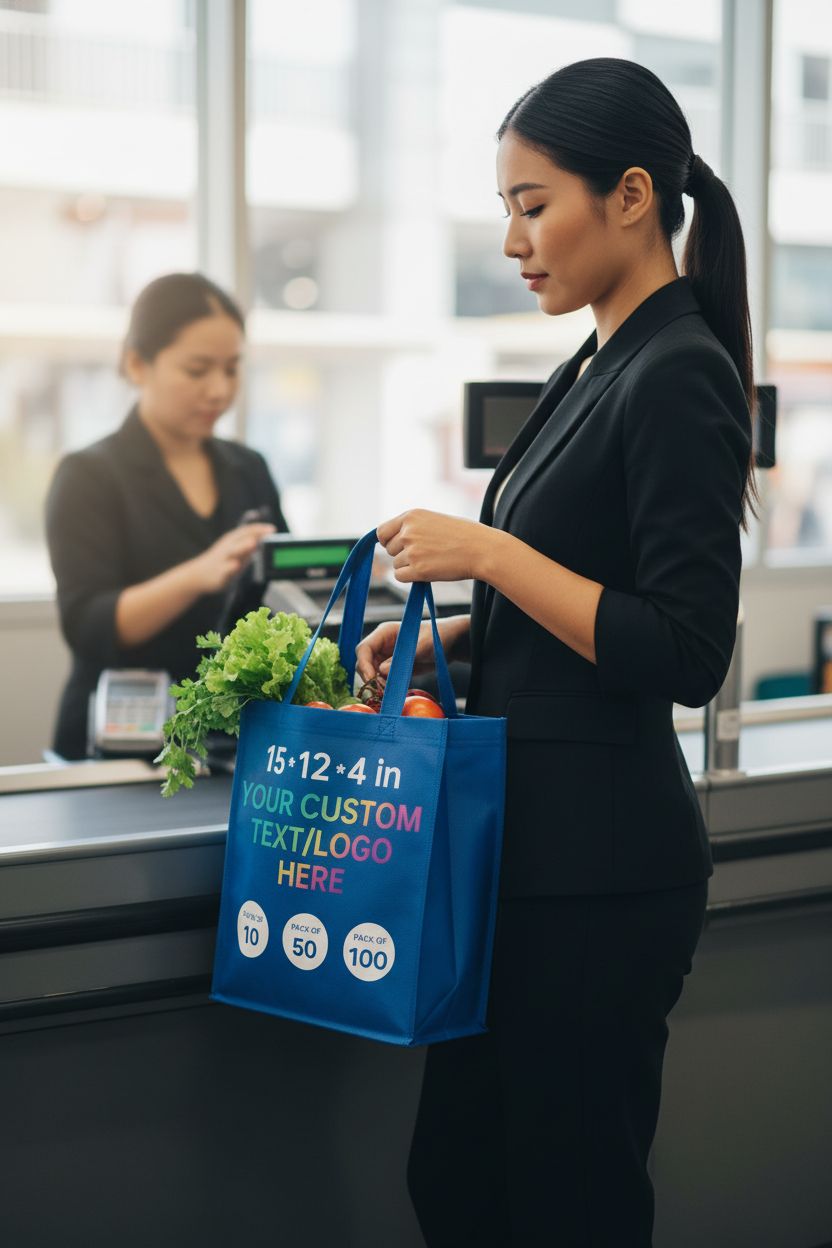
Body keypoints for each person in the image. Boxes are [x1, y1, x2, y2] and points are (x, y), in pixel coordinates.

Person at [356, 58, 754, 1246]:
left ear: (630, 196)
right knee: (461, 1185)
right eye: (507, 213)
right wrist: (453, 642)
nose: (516, 239)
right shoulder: (597, 361)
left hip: (600, 876)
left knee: (562, 1205)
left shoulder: (679, 369)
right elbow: (593, 611)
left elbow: (683, 646)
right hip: (534, 864)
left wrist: (485, 555)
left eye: (534, 205)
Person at [46, 272, 287, 759]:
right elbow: (89, 626)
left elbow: (282, 597)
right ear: (138, 364)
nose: (219, 390)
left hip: (235, 739)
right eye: (197, 371)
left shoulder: (248, 468)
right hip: (119, 746)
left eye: (232, 369)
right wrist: (198, 574)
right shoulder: (87, 475)